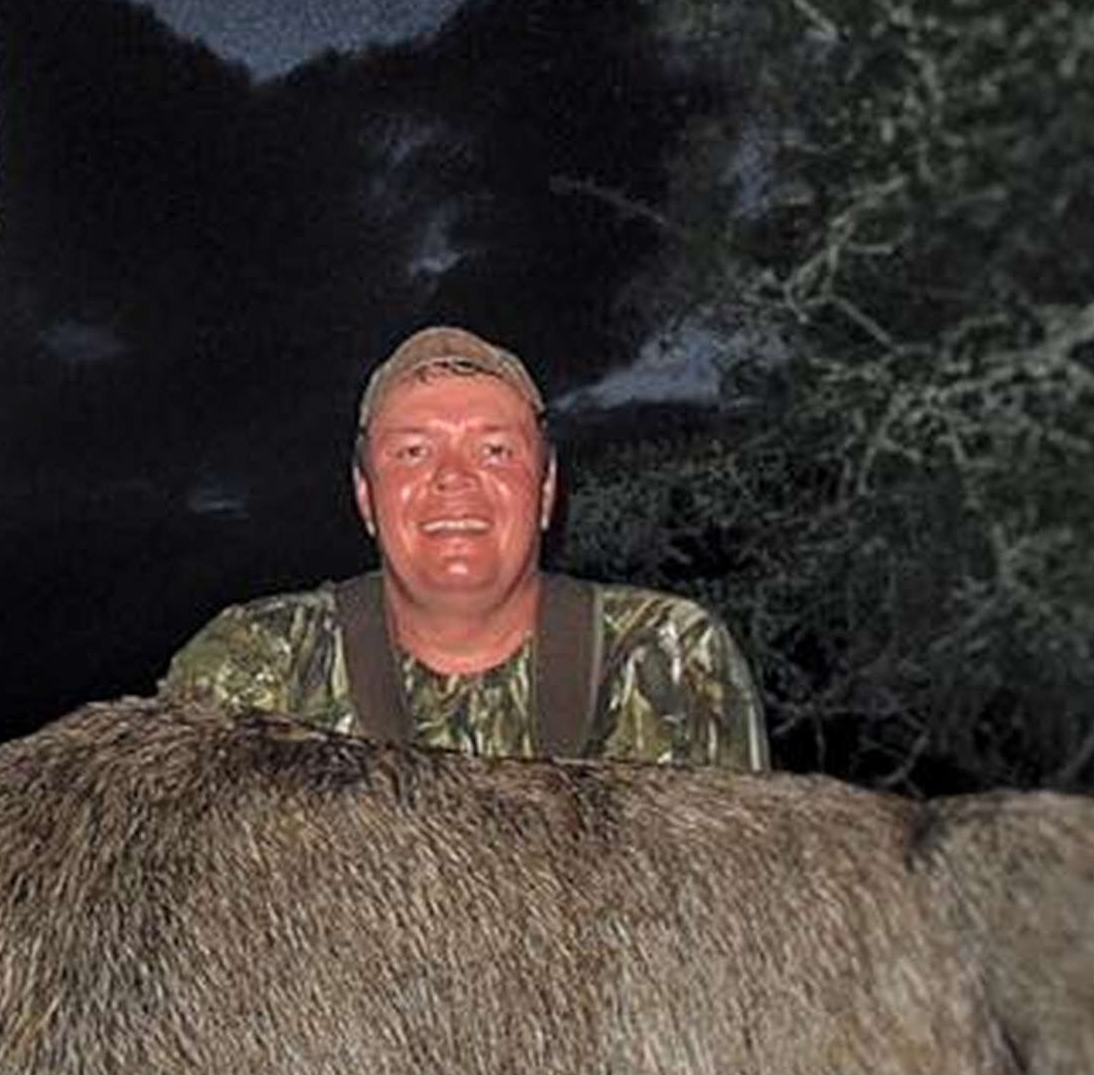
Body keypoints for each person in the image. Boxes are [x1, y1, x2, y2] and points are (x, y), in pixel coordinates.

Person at [161, 324, 768, 767]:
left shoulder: (674, 657)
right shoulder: (250, 667)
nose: (453, 477)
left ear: (547, 488)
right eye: (413, 452)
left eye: (495, 450)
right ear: (366, 495)